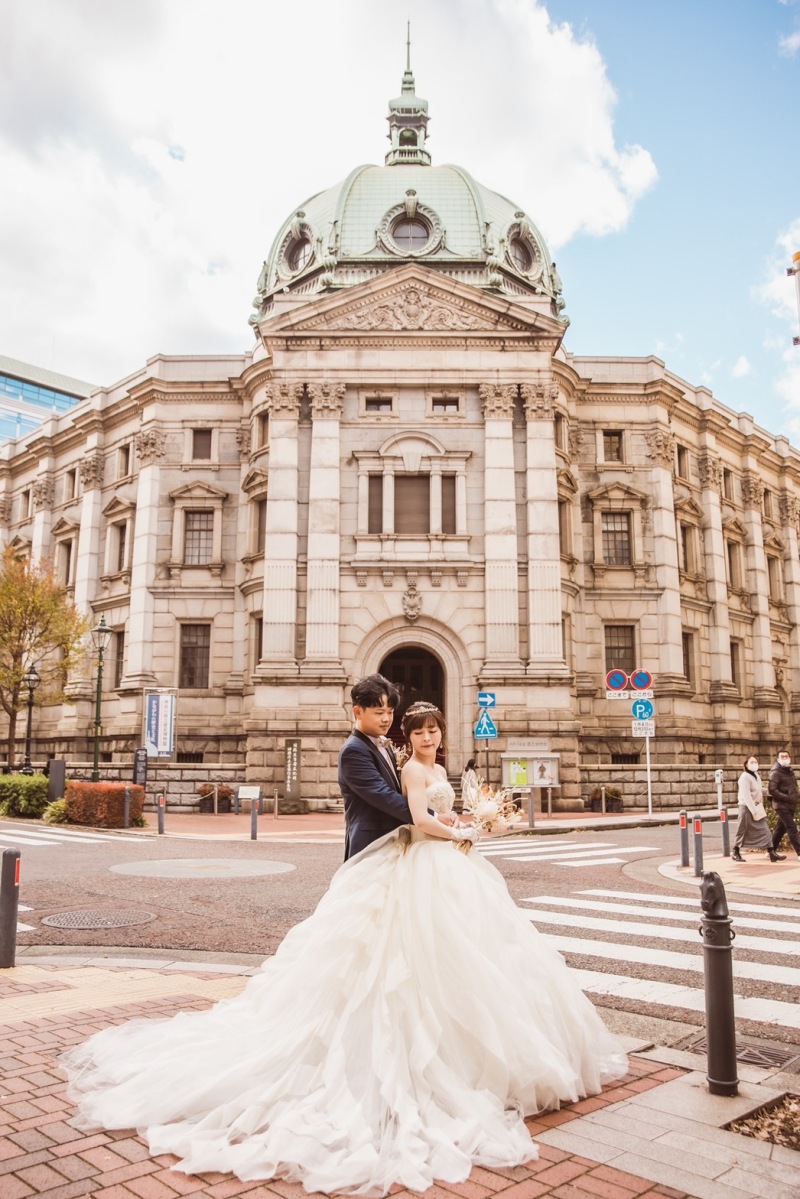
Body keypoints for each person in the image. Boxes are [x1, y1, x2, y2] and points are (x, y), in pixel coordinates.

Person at [61, 698, 627, 1197]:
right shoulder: (392, 762)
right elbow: (413, 815)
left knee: (470, 956)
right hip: (420, 860)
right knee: (407, 959)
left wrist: (463, 820)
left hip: (443, 865)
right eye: (415, 728)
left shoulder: (426, 763)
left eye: (430, 728)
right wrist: (459, 830)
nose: (424, 735)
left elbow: (429, 812)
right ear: (388, 726)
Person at [338, 672, 451, 859]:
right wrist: (434, 816)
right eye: (379, 713)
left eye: (390, 712)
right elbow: (384, 796)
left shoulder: (384, 745)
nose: (387, 718)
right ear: (358, 712)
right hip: (371, 844)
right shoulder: (354, 751)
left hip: (395, 842)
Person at [732, 755, 784, 862]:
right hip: (747, 808)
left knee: (765, 830)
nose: (754, 764)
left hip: (757, 808)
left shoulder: (756, 775)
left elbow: (759, 790)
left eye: (756, 762)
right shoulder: (744, 777)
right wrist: (753, 811)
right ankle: (735, 851)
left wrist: (773, 792)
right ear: (746, 765)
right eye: (752, 762)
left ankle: (771, 852)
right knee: (742, 831)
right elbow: (746, 796)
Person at [768, 749, 800, 859]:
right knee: (792, 827)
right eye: (782, 757)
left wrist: (796, 796)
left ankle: (771, 850)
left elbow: (793, 786)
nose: (785, 758)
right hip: (781, 805)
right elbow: (772, 790)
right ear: (777, 759)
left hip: (790, 804)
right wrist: (788, 797)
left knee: (781, 828)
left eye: (786, 756)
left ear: (790, 758)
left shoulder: (789, 771)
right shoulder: (775, 772)